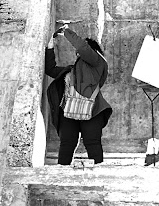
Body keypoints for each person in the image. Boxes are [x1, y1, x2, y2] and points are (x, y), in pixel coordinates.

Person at [45, 24, 112, 165]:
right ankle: (62, 175)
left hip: (92, 110)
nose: (78, 51)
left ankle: (97, 176)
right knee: (67, 143)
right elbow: (50, 69)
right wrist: (50, 45)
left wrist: (67, 32)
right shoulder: (70, 71)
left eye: (85, 47)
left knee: (92, 143)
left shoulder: (97, 63)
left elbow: (83, 48)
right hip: (68, 110)